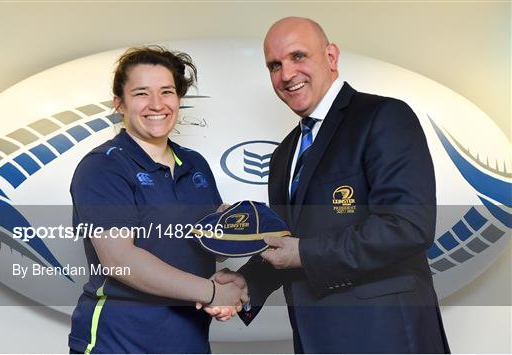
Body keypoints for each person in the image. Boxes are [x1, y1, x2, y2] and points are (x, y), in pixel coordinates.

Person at [207, 17, 450, 353]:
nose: (286, 74)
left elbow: (407, 226)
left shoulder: (384, 116)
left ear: (331, 57)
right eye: (274, 65)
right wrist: (249, 282)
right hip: (316, 339)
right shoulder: (284, 154)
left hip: (386, 336)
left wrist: (303, 253)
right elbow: (287, 241)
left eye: (298, 57)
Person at [68, 46, 247, 354]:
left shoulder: (195, 164)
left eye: (166, 92)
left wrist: (249, 230)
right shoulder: (103, 166)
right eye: (141, 93)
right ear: (119, 104)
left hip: (188, 341)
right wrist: (211, 292)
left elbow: (210, 245)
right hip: (119, 343)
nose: (156, 104)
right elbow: (120, 261)